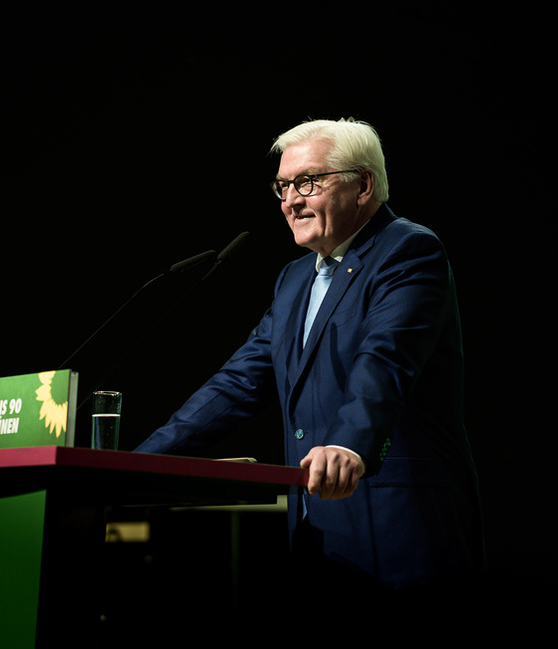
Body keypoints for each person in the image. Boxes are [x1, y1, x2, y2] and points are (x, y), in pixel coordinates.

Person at [133, 118, 485, 595]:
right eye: (282, 186)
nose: (290, 201)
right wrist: (138, 465)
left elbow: (384, 362)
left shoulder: (408, 251)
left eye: (307, 182)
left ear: (362, 184)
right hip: (314, 532)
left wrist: (349, 445)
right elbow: (236, 384)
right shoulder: (294, 279)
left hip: (399, 526)